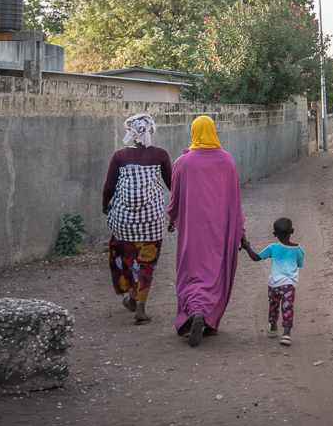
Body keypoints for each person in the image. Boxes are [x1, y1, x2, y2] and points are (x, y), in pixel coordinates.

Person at [168, 115, 244, 347]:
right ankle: (208, 318)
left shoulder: (182, 162)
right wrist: (239, 229)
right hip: (219, 229)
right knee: (215, 271)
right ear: (213, 131)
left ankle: (194, 312)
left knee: (191, 271)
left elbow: (175, 198)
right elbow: (234, 199)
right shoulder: (228, 161)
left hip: (192, 230)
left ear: (194, 132)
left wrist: (172, 218)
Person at [102, 113, 172, 324]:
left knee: (127, 257)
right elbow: (172, 185)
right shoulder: (161, 155)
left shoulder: (119, 156)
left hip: (123, 222)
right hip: (151, 221)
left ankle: (131, 296)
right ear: (151, 131)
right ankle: (139, 306)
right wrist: (175, 214)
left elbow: (109, 186)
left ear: (130, 133)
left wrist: (105, 206)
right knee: (146, 263)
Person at [242, 217, 304, 346]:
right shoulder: (298, 250)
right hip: (289, 284)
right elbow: (301, 264)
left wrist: (247, 246)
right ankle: (286, 334)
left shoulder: (272, 248)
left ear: (274, 234)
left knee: (273, 305)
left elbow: (255, 257)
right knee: (287, 307)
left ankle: (273, 327)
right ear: (292, 231)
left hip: (274, 284)